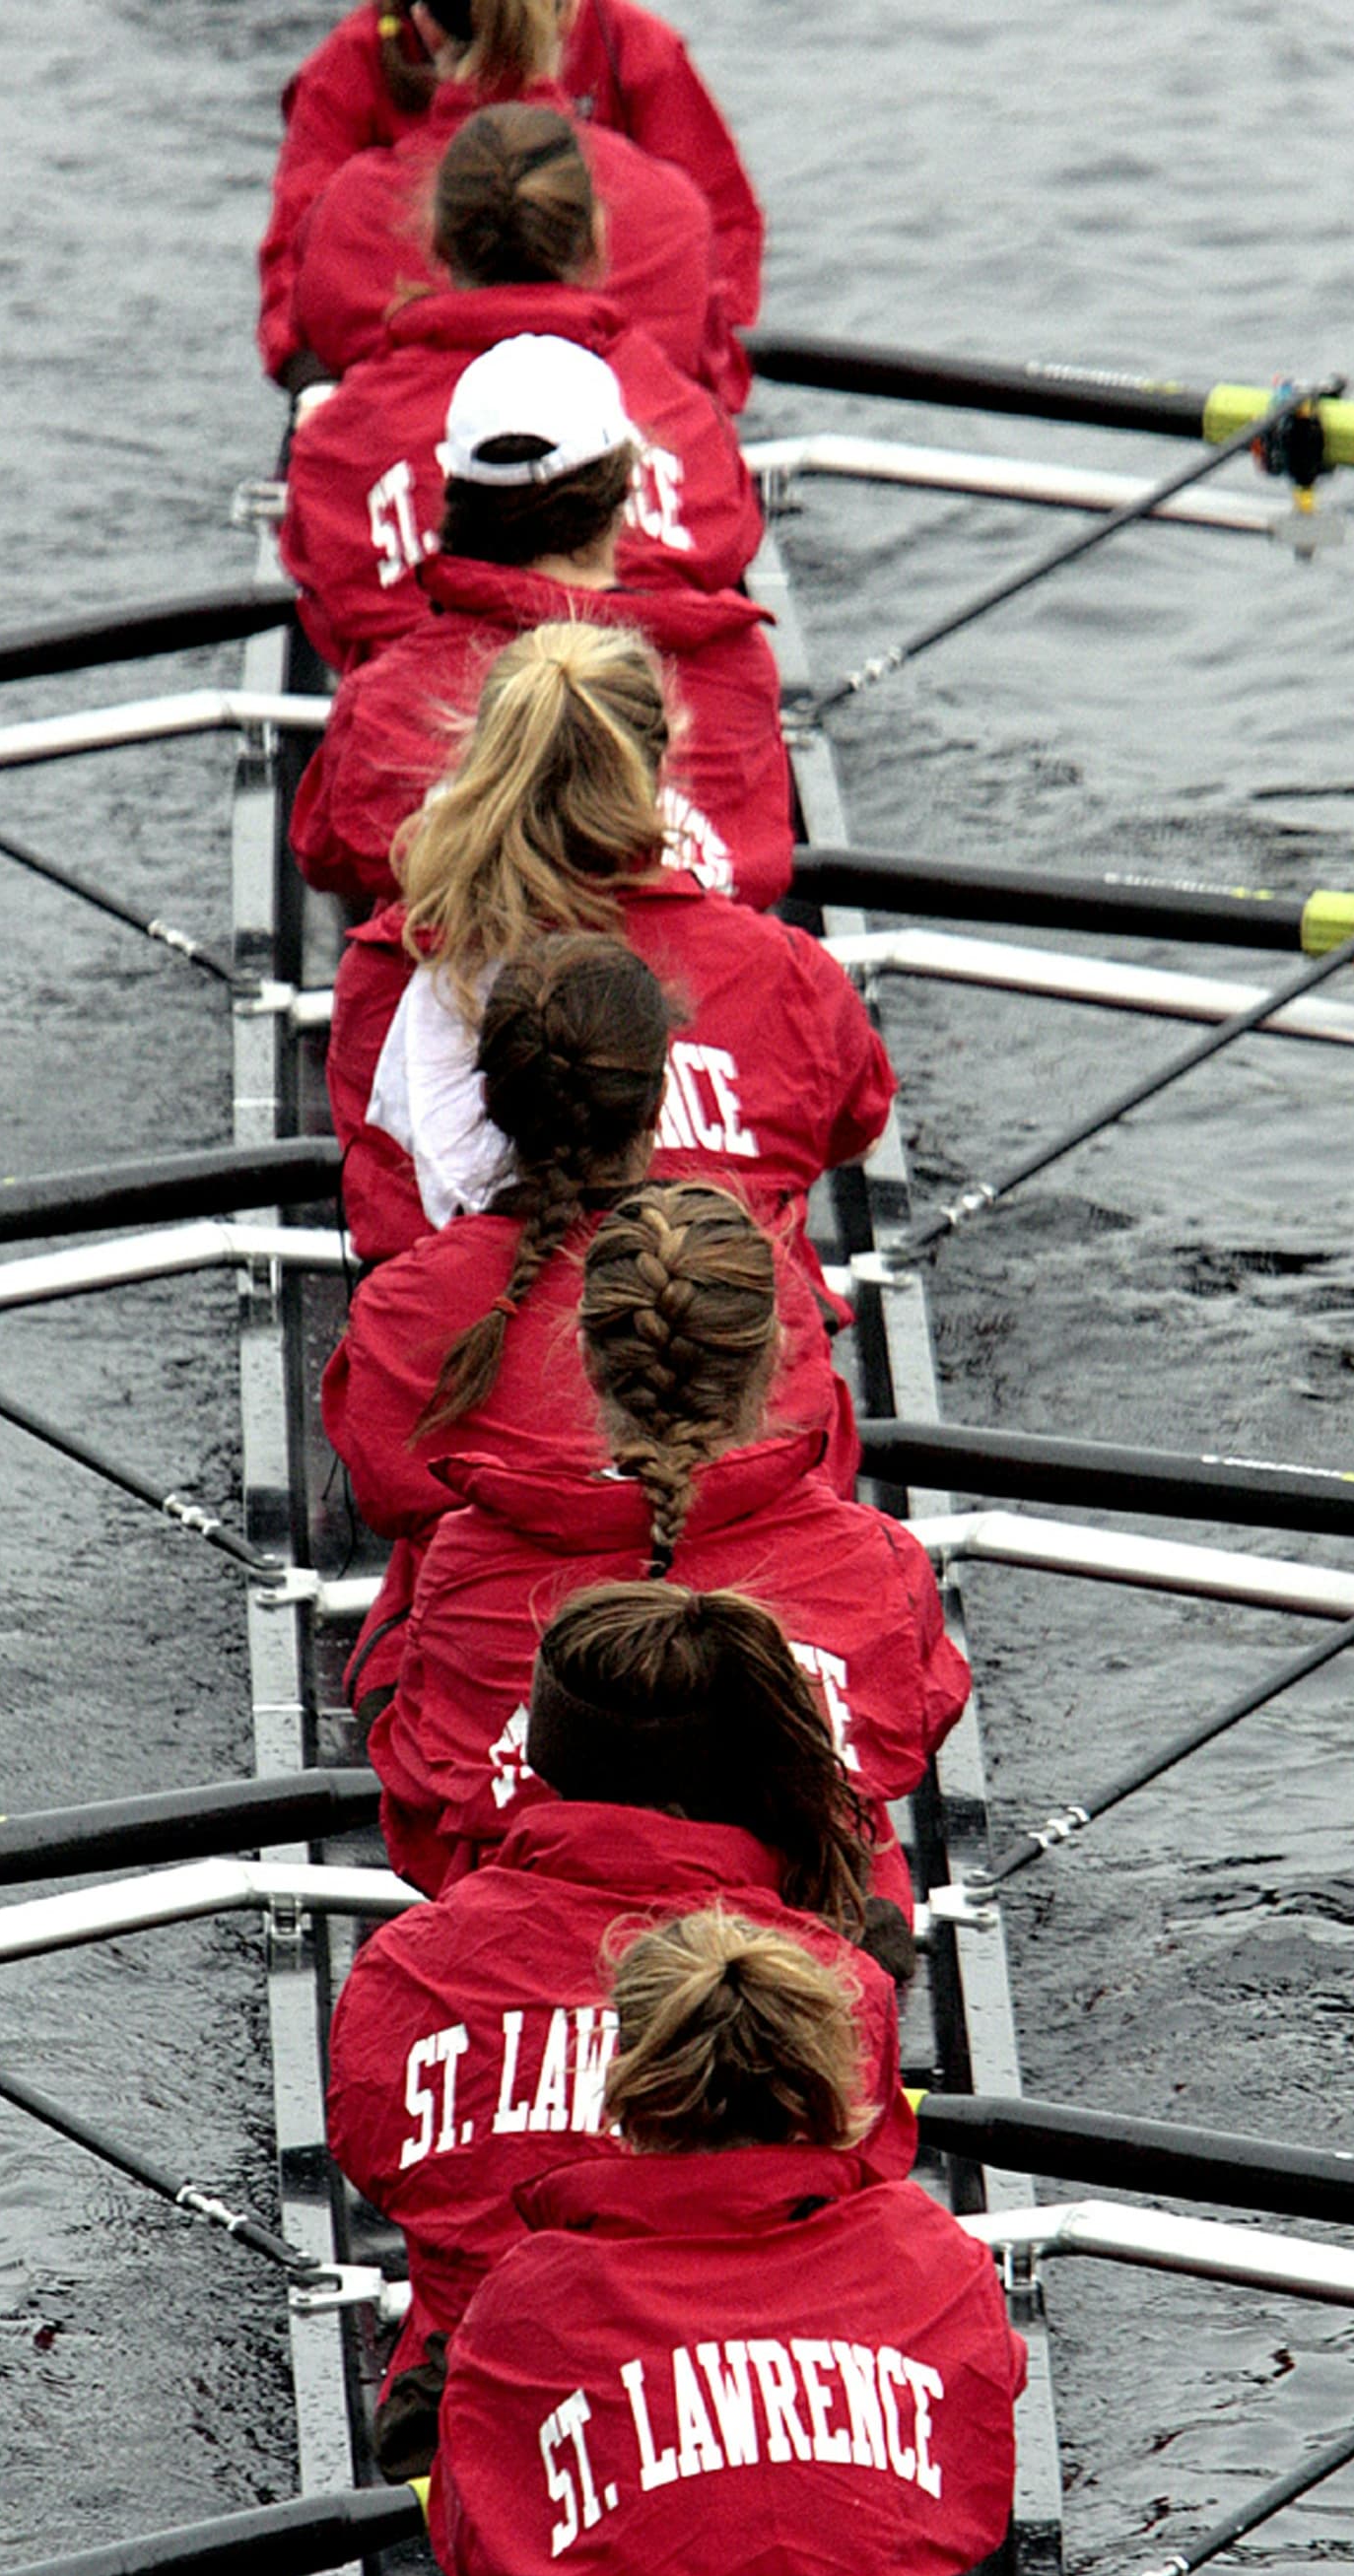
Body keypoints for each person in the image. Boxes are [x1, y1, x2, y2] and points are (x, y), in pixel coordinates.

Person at [326, 1582, 916, 2470]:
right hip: (737, 2426)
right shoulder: (838, 1986)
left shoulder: (403, 1965)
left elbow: (376, 2164)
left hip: (487, 2406)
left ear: (545, 1754)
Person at [428, 1904, 1028, 2576]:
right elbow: (985, 2420)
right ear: (825, 2071)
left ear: (630, 2077)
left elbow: (471, 2541)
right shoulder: (935, 2259)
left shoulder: (532, 2294)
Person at [322, 932, 859, 1751]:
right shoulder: (760, 1284)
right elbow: (823, 1461)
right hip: (743, 1658)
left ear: (489, 1098)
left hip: (507, 1677)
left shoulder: (403, 1306)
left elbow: (382, 1493)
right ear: (658, 1099)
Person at [370, 1181, 970, 1902]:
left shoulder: (465, 1562)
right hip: (804, 1950)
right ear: (776, 1351)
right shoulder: (878, 1560)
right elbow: (923, 1715)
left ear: (585, 1354)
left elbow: (420, 1809)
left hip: (546, 1941)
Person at [315, 616, 882, 1263]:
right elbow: (862, 1138)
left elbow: (387, 1229)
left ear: (488, 757)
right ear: (660, 764)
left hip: (475, 1311)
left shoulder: (390, 967)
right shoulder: (790, 972)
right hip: (731, 1322)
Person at [293, 340, 791, 923]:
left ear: (457, 497)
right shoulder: (737, 668)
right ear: (623, 487)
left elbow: (326, 853)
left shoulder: (383, 697)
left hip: (475, 974)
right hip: (694, 973)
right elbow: (763, 867)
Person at [280, 103, 762, 670]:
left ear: (437, 243)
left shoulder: (335, 444)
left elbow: (327, 613)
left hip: (426, 714)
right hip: (648, 708)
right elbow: (730, 552)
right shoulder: (691, 421)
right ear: (594, 238)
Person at [259, 0, 761, 400]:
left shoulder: (634, 48)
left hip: (423, 409)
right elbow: (289, 291)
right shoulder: (349, 66)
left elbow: (728, 239)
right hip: (608, 405)